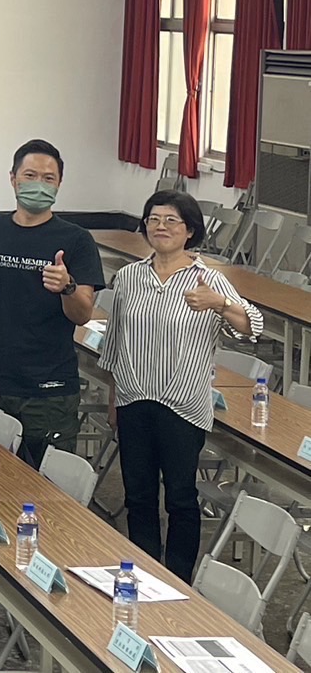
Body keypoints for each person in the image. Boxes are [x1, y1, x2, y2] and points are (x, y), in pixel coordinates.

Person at [101, 191, 262, 582]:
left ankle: (178, 581)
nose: (161, 227)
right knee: (138, 496)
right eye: (154, 219)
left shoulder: (210, 280)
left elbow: (251, 327)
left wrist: (220, 304)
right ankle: (143, 575)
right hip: (133, 399)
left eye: (171, 220)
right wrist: (113, 398)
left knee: (180, 498)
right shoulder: (129, 277)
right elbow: (115, 341)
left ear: (190, 230)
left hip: (183, 405)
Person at [0, 138, 104, 468]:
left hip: (50, 388)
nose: (39, 184)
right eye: (30, 176)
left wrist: (67, 287)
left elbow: (82, 314)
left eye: (48, 178)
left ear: (59, 184)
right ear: (13, 179)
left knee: (47, 484)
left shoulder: (77, 240)